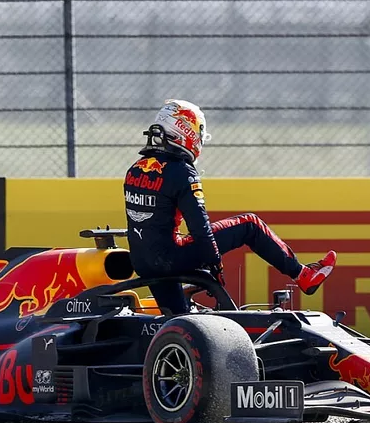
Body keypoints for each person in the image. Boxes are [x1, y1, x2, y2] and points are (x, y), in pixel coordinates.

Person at [123, 99, 337, 313]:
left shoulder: (135, 169)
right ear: (185, 130)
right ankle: (303, 275)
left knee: (177, 320)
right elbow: (200, 228)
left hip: (142, 262)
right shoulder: (182, 172)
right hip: (171, 259)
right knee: (250, 224)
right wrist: (215, 264)